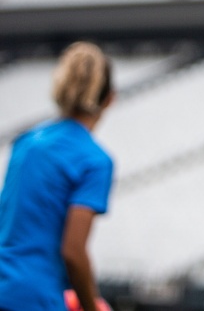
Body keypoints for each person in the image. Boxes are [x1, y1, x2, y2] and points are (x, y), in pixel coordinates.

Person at [0, 42, 116, 311]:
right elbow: (73, 253)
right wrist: (91, 306)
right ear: (110, 98)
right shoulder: (94, 160)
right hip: (35, 299)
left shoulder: (25, 143)